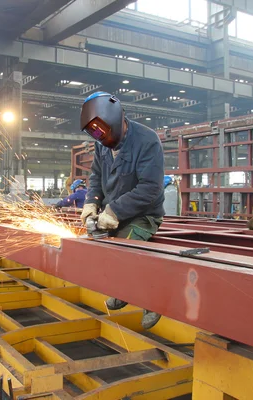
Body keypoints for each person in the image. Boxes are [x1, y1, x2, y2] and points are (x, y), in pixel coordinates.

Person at [79, 91, 165, 330]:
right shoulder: (102, 144)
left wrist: (114, 211)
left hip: (143, 214)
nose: (100, 139)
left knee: (125, 249)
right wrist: (91, 202)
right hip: (111, 211)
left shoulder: (147, 140)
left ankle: (152, 300)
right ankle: (122, 289)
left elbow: (150, 188)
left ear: (116, 121)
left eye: (102, 133)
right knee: (103, 248)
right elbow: (96, 176)